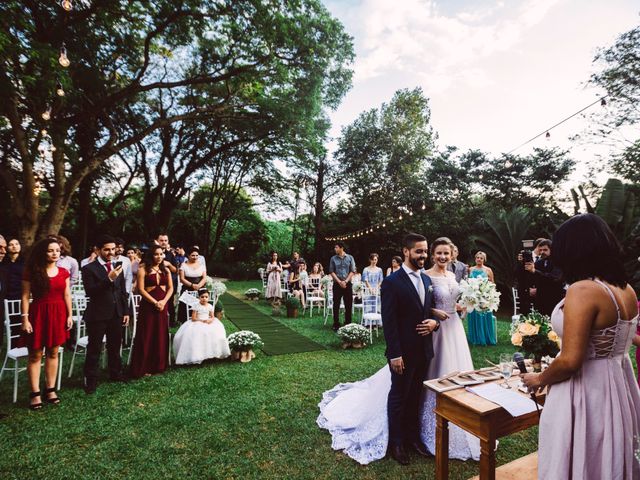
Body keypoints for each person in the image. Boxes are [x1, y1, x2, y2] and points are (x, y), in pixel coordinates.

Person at [521, 214, 640, 480]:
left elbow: (571, 360)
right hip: (619, 384)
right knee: (604, 455)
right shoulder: (626, 289)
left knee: (580, 456)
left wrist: (538, 378)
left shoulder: (583, 290)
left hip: (585, 389)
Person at [317, 233, 442, 466]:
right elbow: (390, 321)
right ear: (406, 251)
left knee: (416, 396)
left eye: (425, 251)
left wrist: (435, 323)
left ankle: (413, 438)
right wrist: (395, 354)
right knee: (398, 397)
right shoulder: (392, 282)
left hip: (424, 351)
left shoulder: (426, 280)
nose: (423, 255)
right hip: (402, 352)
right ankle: (396, 443)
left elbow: (429, 311)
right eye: (419, 251)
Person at [422, 237, 480, 458]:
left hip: (455, 328)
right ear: (432, 255)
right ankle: (432, 418)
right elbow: (421, 305)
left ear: (452, 254)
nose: (443, 257)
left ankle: (460, 417)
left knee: (459, 372)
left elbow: (455, 302)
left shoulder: (452, 275)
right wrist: (433, 312)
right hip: (437, 331)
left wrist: (469, 303)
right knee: (437, 370)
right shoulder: (426, 276)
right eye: (439, 253)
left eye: (446, 253)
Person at [20, 237, 72, 409]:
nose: (55, 253)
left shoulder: (64, 271)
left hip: (58, 314)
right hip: (38, 314)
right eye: (51, 250)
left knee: (53, 352)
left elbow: (66, 295)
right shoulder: (32, 271)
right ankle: (34, 393)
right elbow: (25, 296)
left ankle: (50, 389)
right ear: (43, 252)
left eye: (57, 250)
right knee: (35, 354)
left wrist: (70, 315)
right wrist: (25, 318)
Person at [81, 235, 131, 394]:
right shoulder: (89, 268)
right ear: (97, 250)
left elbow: (122, 291)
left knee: (115, 346)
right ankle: (91, 380)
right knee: (94, 348)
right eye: (106, 249)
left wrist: (126, 311)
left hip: (116, 313)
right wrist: (108, 279)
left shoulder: (118, 266)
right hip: (97, 314)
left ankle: (116, 374)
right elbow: (90, 291)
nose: (111, 252)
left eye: (113, 249)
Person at [130, 245, 173, 378]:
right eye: (156, 254)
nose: (159, 257)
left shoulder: (166, 270)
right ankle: (144, 366)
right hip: (149, 306)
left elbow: (171, 288)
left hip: (163, 305)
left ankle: (159, 365)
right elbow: (140, 290)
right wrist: (155, 302)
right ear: (151, 255)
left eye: (161, 254)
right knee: (147, 334)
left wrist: (164, 302)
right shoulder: (143, 269)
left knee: (160, 334)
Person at [173, 289, 230, 364]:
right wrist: (201, 320)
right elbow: (193, 318)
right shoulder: (196, 306)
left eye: (206, 297)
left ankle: (213, 353)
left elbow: (212, 316)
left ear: (208, 298)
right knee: (196, 334)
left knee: (216, 332)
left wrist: (210, 320)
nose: (204, 299)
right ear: (199, 297)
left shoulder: (209, 306)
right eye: (202, 297)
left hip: (208, 321)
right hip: (197, 321)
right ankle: (197, 355)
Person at [525, 239, 565, 316]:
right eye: (540, 250)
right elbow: (529, 276)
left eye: (545, 250)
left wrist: (535, 271)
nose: (542, 252)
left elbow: (554, 278)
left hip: (554, 299)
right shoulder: (540, 262)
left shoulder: (558, 262)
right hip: (540, 300)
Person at [466, 251, 497, 346]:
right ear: (475, 259)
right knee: (474, 316)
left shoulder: (488, 270)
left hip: (484, 298)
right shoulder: (470, 269)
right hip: (473, 298)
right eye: (477, 258)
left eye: (481, 258)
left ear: (484, 259)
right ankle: (475, 338)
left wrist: (490, 295)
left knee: (484, 317)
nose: (479, 259)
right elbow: (467, 282)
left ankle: (486, 337)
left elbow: (493, 284)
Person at [328, 242, 356, 331]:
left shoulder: (350, 258)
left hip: (348, 284)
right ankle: (336, 324)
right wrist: (339, 282)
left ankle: (348, 323)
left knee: (348, 304)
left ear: (341, 248)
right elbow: (331, 271)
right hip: (337, 284)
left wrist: (346, 281)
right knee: (336, 304)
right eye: (335, 247)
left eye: (336, 247)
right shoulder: (333, 258)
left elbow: (352, 270)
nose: (335, 249)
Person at [177, 247, 207, 323]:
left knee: (199, 309)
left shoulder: (202, 265)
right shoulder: (183, 265)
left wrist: (199, 285)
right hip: (187, 289)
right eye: (193, 255)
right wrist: (192, 285)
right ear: (188, 255)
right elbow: (182, 279)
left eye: (197, 255)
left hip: (200, 290)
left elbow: (204, 278)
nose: (195, 257)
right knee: (186, 310)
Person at [156, 232, 178, 326]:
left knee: (169, 302)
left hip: (168, 283)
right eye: (161, 240)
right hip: (155, 283)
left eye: (165, 240)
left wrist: (168, 264)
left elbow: (175, 270)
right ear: (157, 241)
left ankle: (171, 322)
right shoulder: (152, 253)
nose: (164, 242)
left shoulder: (170, 255)